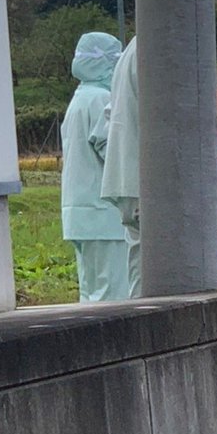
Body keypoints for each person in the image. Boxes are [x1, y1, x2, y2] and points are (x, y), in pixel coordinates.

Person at [61, 32, 130, 301]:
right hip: (104, 217)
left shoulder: (79, 99)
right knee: (113, 295)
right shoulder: (101, 100)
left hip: (80, 215)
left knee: (90, 295)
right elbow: (113, 152)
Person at [100, 36, 141, 297]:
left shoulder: (130, 52)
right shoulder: (158, 45)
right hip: (145, 179)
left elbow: (108, 119)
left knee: (139, 266)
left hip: (126, 178)